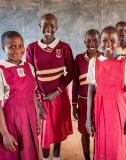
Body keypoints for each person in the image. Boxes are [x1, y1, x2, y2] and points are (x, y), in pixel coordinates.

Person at [26, 13, 74, 160]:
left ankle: (57, 157)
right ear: (39, 26)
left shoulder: (64, 47)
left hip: (58, 97)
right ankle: (46, 158)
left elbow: (71, 72)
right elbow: (30, 77)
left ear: (57, 28)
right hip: (41, 97)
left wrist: (57, 91)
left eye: (52, 25)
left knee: (58, 129)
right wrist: (37, 100)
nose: (48, 28)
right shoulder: (32, 48)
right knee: (44, 132)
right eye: (45, 25)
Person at [85, 26, 126, 159]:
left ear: (119, 42)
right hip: (101, 110)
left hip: (120, 112)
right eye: (104, 40)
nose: (108, 44)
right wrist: (88, 118)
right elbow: (91, 90)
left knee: (118, 149)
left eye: (112, 40)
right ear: (100, 43)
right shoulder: (94, 62)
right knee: (102, 147)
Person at [0, 31, 40, 160]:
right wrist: (5, 133)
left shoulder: (29, 66)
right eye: (11, 46)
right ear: (3, 48)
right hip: (10, 120)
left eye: (19, 45)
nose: (16, 50)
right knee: (12, 153)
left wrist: (37, 118)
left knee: (29, 153)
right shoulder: (1, 70)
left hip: (29, 116)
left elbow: (32, 92)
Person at [72, 29, 101, 160]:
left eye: (95, 40)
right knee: (85, 132)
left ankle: (97, 157)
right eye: (89, 40)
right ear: (85, 42)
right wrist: (74, 105)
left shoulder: (103, 58)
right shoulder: (78, 59)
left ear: (100, 42)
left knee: (99, 132)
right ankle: (87, 158)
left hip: (100, 102)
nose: (92, 43)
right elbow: (75, 83)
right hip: (83, 102)